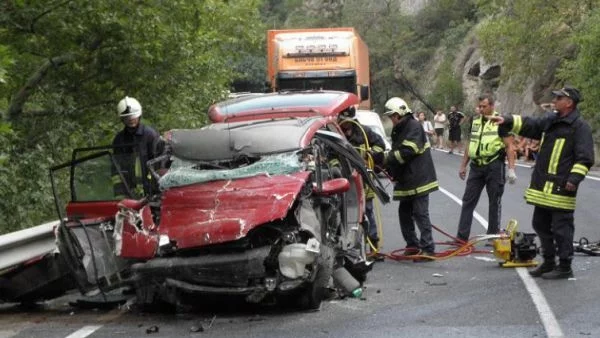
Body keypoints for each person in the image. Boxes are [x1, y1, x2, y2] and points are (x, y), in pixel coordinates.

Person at [491, 86, 594, 279]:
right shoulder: (551, 120)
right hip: (543, 186)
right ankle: (548, 262)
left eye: (559, 98)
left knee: (562, 229)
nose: (554, 101)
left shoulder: (579, 127)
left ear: (569, 103)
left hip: (562, 187)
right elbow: (531, 125)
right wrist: (508, 119)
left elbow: (585, 158)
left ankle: (564, 266)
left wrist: (573, 179)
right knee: (540, 224)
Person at [455, 94, 517, 243]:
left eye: (484, 106)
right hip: (476, 166)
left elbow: (509, 146)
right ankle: (461, 238)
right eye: (480, 106)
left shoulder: (500, 121)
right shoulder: (475, 121)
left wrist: (511, 169)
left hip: (494, 165)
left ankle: (492, 235)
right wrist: (463, 165)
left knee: (494, 200)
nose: (481, 109)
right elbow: (471, 143)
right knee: (468, 200)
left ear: (492, 106)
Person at [383, 97, 439, 260]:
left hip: (419, 178)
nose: (391, 120)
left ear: (398, 114)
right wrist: (390, 167)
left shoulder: (413, 126)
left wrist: (386, 159)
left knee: (420, 213)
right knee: (404, 213)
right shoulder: (400, 128)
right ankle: (412, 245)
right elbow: (397, 151)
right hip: (407, 179)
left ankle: (428, 248)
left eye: (391, 116)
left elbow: (407, 151)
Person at [338, 109, 386, 249]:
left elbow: (380, 146)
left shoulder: (364, 132)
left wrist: (368, 156)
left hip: (364, 179)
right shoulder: (336, 134)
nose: (347, 124)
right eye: (343, 120)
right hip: (345, 181)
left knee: (368, 211)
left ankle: (373, 244)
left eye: (349, 120)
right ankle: (353, 246)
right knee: (349, 213)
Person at [112, 96, 162, 197]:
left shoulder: (150, 135)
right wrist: (120, 194)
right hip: (128, 190)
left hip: (151, 191)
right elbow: (117, 168)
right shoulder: (119, 139)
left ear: (139, 116)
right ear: (122, 119)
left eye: (133, 116)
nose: (131, 120)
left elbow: (158, 163)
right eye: (127, 117)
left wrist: (154, 188)